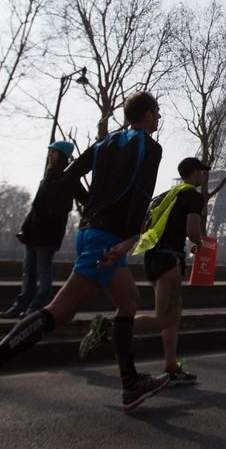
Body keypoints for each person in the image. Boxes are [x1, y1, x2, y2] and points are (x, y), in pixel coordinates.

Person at [0, 91, 167, 431]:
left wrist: (93, 205)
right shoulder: (149, 147)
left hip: (90, 231)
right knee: (59, 311)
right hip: (108, 240)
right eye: (157, 113)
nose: (158, 119)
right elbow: (141, 194)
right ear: (149, 114)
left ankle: (130, 383)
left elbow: (66, 177)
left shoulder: (104, 143)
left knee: (130, 301)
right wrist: (129, 240)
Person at [79, 157, 210, 387]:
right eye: (202, 172)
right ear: (195, 173)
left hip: (152, 258)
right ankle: (108, 329)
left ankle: (172, 367)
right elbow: (192, 231)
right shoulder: (193, 196)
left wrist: (125, 248)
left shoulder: (162, 197)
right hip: (170, 259)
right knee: (166, 317)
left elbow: (143, 228)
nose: (203, 176)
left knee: (173, 315)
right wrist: (199, 245)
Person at [0, 141, 85, 319]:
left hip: (49, 231)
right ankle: (21, 305)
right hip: (34, 230)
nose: (50, 155)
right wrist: (25, 228)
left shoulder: (69, 176)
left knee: (43, 270)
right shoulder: (48, 175)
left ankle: (37, 306)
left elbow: (83, 198)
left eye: (53, 152)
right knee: (29, 271)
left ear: (60, 154)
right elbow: (36, 205)